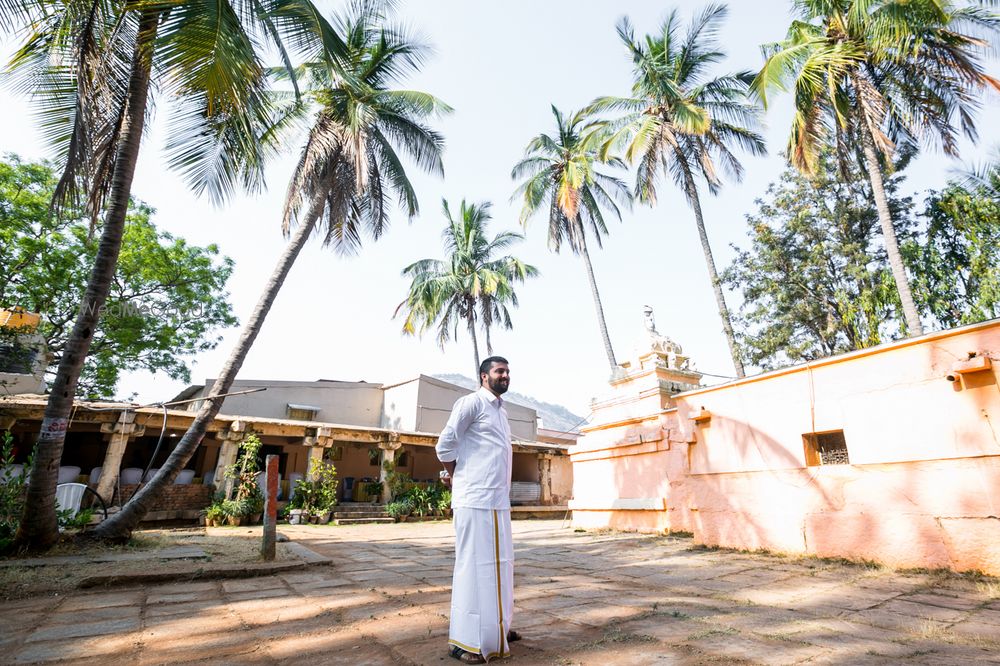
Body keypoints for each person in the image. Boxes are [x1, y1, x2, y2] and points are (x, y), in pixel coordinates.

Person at [437, 356, 521, 663]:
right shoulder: (470, 403)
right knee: (472, 568)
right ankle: (465, 641)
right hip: (473, 498)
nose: (505, 375)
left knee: (500, 565)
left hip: (497, 500)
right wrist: (456, 473)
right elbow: (445, 444)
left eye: (508, 371)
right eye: (500, 371)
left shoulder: (502, 411)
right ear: (484, 376)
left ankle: (497, 627)